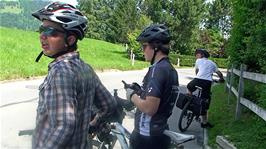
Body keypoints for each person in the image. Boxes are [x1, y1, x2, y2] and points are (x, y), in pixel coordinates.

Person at [31, 2, 116, 148]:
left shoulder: (61, 71)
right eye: (42, 29)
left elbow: (64, 127)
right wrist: (92, 126)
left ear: (70, 40)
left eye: (51, 31)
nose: (42, 36)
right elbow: (109, 105)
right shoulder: (85, 68)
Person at [124, 24, 179, 149]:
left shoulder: (157, 69)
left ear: (155, 47)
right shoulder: (171, 69)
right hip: (160, 132)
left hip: (146, 137)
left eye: (144, 46)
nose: (142, 50)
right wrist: (140, 92)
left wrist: (132, 96)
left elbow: (150, 108)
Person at [187, 48, 224, 128]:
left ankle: (188, 103)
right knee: (204, 102)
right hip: (207, 82)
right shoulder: (212, 63)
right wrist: (221, 79)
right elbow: (219, 74)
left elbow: (197, 71)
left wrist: (198, 76)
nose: (196, 56)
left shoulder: (198, 61)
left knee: (189, 87)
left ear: (202, 55)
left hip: (197, 80)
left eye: (198, 54)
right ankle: (204, 123)